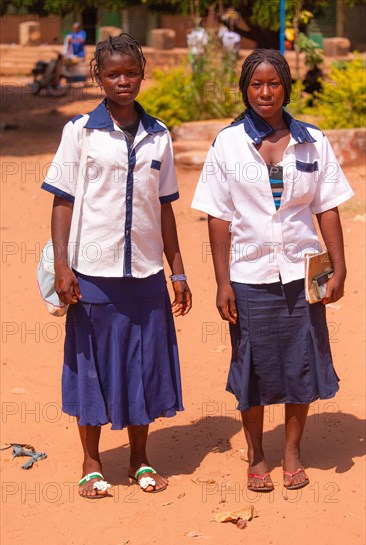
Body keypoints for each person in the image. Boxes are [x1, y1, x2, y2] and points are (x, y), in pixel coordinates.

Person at [192, 49, 353, 492]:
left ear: (286, 87)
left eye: (274, 83)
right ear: (245, 89)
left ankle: (292, 450)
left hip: (306, 271)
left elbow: (327, 209)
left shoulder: (313, 141)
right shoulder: (227, 143)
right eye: (256, 84)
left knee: (304, 361)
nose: (265, 93)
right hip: (249, 272)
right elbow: (217, 217)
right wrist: (223, 281)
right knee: (253, 365)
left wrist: (338, 268)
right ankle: (257, 452)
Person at [41, 33, 192, 498]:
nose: (122, 81)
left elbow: (164, 207)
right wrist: (64, 267)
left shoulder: (159, 135)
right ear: (99, 78)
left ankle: (140, 459)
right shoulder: (80, 132)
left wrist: (178, 270)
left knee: (145, 365)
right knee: (92, 365)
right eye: (112, 74)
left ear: (142, 74)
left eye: (130, 72)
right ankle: (91, 461)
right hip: (92, 271)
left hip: (144, 274)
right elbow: (62, 203)